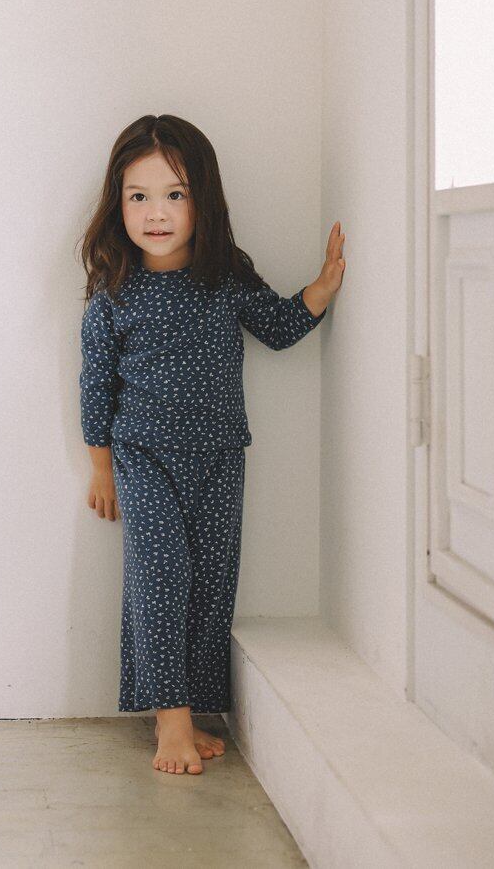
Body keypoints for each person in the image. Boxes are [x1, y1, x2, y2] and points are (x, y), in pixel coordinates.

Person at [77, 113, 346, 776]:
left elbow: (277, 327)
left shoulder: (224, 277)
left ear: (203, 201)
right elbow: (95, 385)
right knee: (161, 576)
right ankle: (169, 721)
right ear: (118, 204)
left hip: (221, 454)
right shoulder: (114, 292)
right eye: (139, 196)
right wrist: (102, 469)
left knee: (210, 584)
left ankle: (193, 711)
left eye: (175, 194)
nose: (156, 212)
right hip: (143, 457)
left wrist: (322, 287)